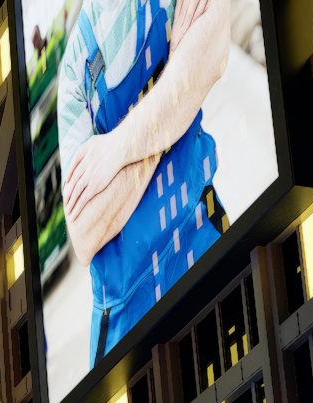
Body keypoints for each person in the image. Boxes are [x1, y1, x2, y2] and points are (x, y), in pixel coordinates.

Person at [44, 0, 237, 361]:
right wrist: (173, 86)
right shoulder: (75, 69)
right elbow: (85, 232)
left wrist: (114, 150)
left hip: (204, 237)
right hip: (126, 321)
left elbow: (211, 57)